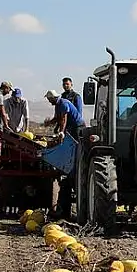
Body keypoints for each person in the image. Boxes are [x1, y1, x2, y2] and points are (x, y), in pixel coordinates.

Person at [43, 89, 86, 219]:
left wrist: (61, 132)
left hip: (77, 127)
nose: (49, 101)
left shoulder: (63, 103)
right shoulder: (58, 105)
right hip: (71, 127)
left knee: (73, 148)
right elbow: (57, 118)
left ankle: (71, 165)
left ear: (53, 98)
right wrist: (49, 123)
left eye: (49, 99)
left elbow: (63, 119)